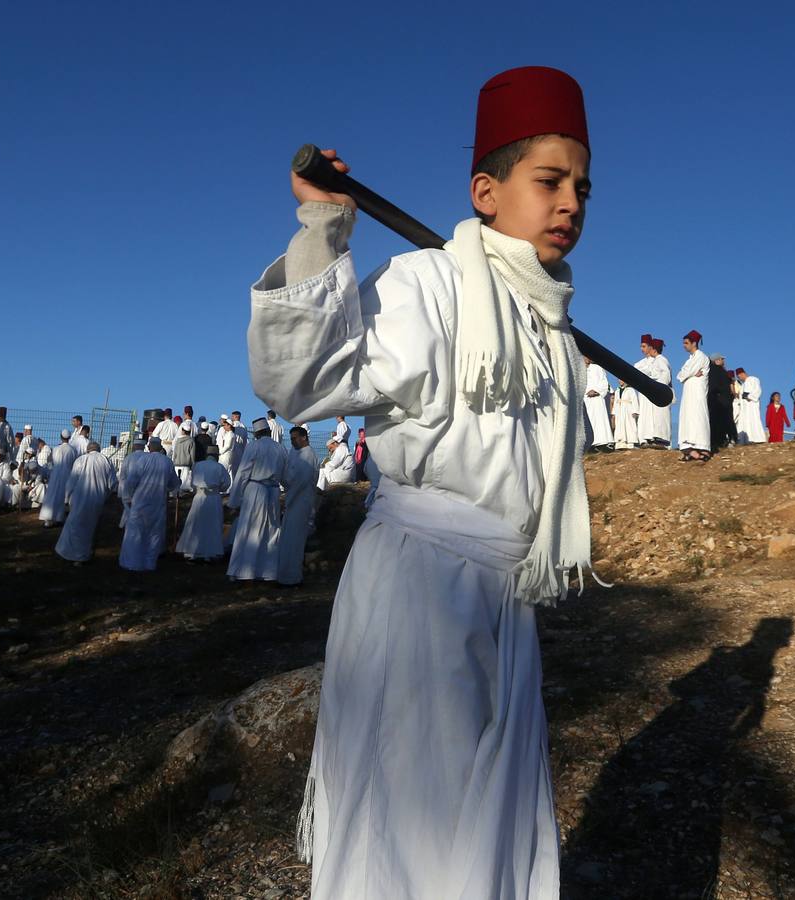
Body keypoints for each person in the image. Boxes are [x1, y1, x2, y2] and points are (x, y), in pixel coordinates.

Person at [250, 67, 596, 896]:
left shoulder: (554, 326)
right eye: (548, 181)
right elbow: (306, 382)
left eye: (583, 187)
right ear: (486, 189)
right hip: (421, 592)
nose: (571, 204)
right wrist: (323, 228)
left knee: (488, 826)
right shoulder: (431, 284)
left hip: (505, 597)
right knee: (411, 827)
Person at [225, 417, 287, 581]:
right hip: (273, 491)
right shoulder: (280, 448)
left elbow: (243, 472)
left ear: (257, 434)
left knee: (249, 530)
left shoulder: (254, 446)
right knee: (271, 531)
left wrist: (234, 501)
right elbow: (285, 474)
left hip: (256, 490)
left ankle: (244, 571)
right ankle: (268, 572)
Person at [118, 437, 178, 571]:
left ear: (149, 447)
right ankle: (150, 563)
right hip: (158, 503)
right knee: (154, 534)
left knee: (135, 533)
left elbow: (131, 481)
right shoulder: (167, 462)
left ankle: (132, 563)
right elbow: (174, 483)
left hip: (140, 502)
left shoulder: (142, 460)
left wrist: (127, 497)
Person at [56, 441, 118, 563]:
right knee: (91, 527)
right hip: (97, 499)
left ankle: (74, 555)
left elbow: (72, 481)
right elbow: (113, 484)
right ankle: (86, 553)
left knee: (76, 526)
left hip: (80, 498)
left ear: (88, 450)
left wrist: (66, 498)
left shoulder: (81, 460)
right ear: (98, 449)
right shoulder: (106, 460)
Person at [275, 426, 319, 585]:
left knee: (295, 540)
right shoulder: (296, 453)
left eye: (294, 438)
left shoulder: (308, 455)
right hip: (293, 499)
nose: (292, 441)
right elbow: (289, 476)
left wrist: (289, 498)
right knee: (288, 538)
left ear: (304, 438)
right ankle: (284, 574)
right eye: (291, 438)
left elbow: (302, 480)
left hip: (301, 501)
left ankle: (292, 577)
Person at [176, 441, 231, 562]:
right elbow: (226, 484)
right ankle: (210, 553)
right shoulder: (219, 467)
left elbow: (192, 483)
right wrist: (217, 489)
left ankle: (191, 552)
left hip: (199, 497)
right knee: (212, 525)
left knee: (196, 523)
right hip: (214, 498)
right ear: (216, 456)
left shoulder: (198, 465)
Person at [677, 330, 711, 460]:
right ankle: (691, 451)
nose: (684, 345)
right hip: (688, 393)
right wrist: (689, 374)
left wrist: (688, 374)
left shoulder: (700, 356)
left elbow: (685, 373)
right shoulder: (690, 359)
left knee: (699, 416)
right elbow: (680, 375)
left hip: (697, 393)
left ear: (694, 343)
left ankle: (704, 448)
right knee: (688, 417)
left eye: (686, 343)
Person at [39, 428, 79, 527]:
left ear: (60, 437)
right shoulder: (73, 450)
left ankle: (48, 520)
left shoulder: (55, 449)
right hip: (68, 474)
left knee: (52, 494)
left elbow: (52, 462)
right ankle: (59, 518)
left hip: (56, 473)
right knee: (62, 495)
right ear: (69, 438)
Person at [582, 355, 613, 451]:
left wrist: (596, 391)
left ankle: (603, 443)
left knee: (600, 420)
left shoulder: (598, 368)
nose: (587, 358)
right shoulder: (579, 370)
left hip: (597, 398)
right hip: (586, 399)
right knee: (589, 421)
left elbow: (604, 383)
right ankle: (591, 444)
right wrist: (587, 392)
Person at [706, 354, 737, 452]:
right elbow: (714, 385)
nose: (723, 360)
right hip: (720, 400)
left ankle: (722, 440)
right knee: (724, 420)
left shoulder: (719, 370)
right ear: (716, 360)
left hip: (720, 399)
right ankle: (728, 439)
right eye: (721, 359)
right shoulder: (716, 370)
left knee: (720, 421)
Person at [733, 367, 767, 444]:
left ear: (743, 373)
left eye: (739, 376)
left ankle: (757, 439)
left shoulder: (753, 379)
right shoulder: (743, 385)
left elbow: (757, 390)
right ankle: (746, 440)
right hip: (745, 408)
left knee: (753, 420)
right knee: (744, 422)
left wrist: (749, 396)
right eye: (738, 377)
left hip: (752, 405)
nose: (740, 378)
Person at [171, 420, 197, 493]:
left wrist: (173, 461)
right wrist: (193, 465)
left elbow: (175, 453)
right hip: (186, 465)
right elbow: (192, 454)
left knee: (175, 484)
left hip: (176, 464)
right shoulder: (191, 441)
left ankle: (175, 497)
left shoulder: (177, 441)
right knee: (184, 486)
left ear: (182, 431)